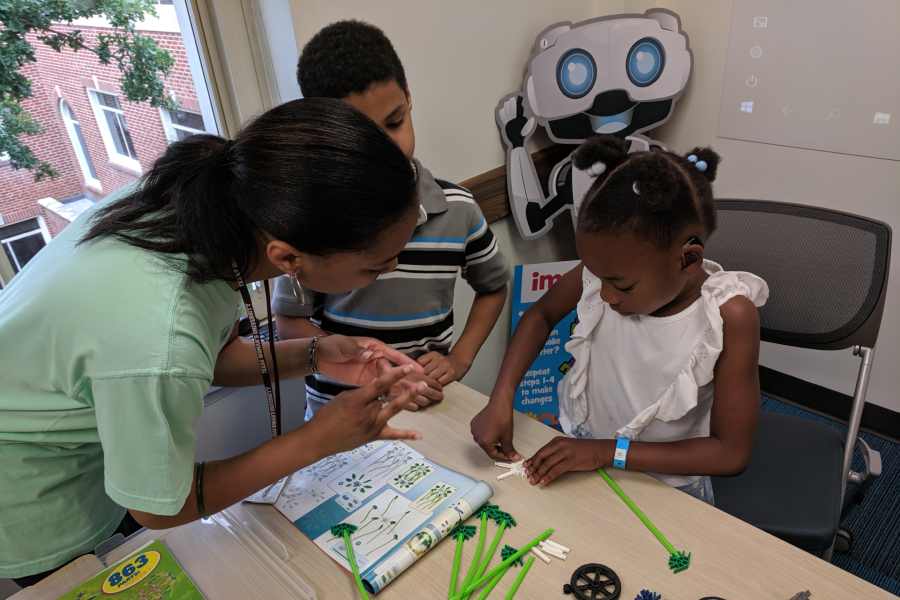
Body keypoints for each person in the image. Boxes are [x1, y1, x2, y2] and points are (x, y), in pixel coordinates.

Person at [0, 98, 431, 585]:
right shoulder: (157, 333)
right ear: (287, 258)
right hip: (28, 489)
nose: (389, 271)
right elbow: (159, 508)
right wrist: (317, 440)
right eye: (376, 265)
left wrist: (317, 353)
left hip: (83, 436)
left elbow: (213, 357)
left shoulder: (206, 211)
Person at [471, 135, 768, 504]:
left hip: (664, 485)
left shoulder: (728, 315)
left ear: (688, 260)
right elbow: (541, 314)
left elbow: (730, 453)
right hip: (583, 454)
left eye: (621, 286)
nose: (606, 296)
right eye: (598, 276)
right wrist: (502, 396)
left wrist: (606, 452)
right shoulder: (607, 270)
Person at [273, 21, 510, 419]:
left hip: (426, 409)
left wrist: (461, 358)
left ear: (409, 99)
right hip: (338, 410)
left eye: (395, 121)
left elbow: (494, 287)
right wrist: (368, 372)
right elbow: (289, 322)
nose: (386, 149)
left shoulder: (458, 208)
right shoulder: (312, 221)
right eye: (362, 137)